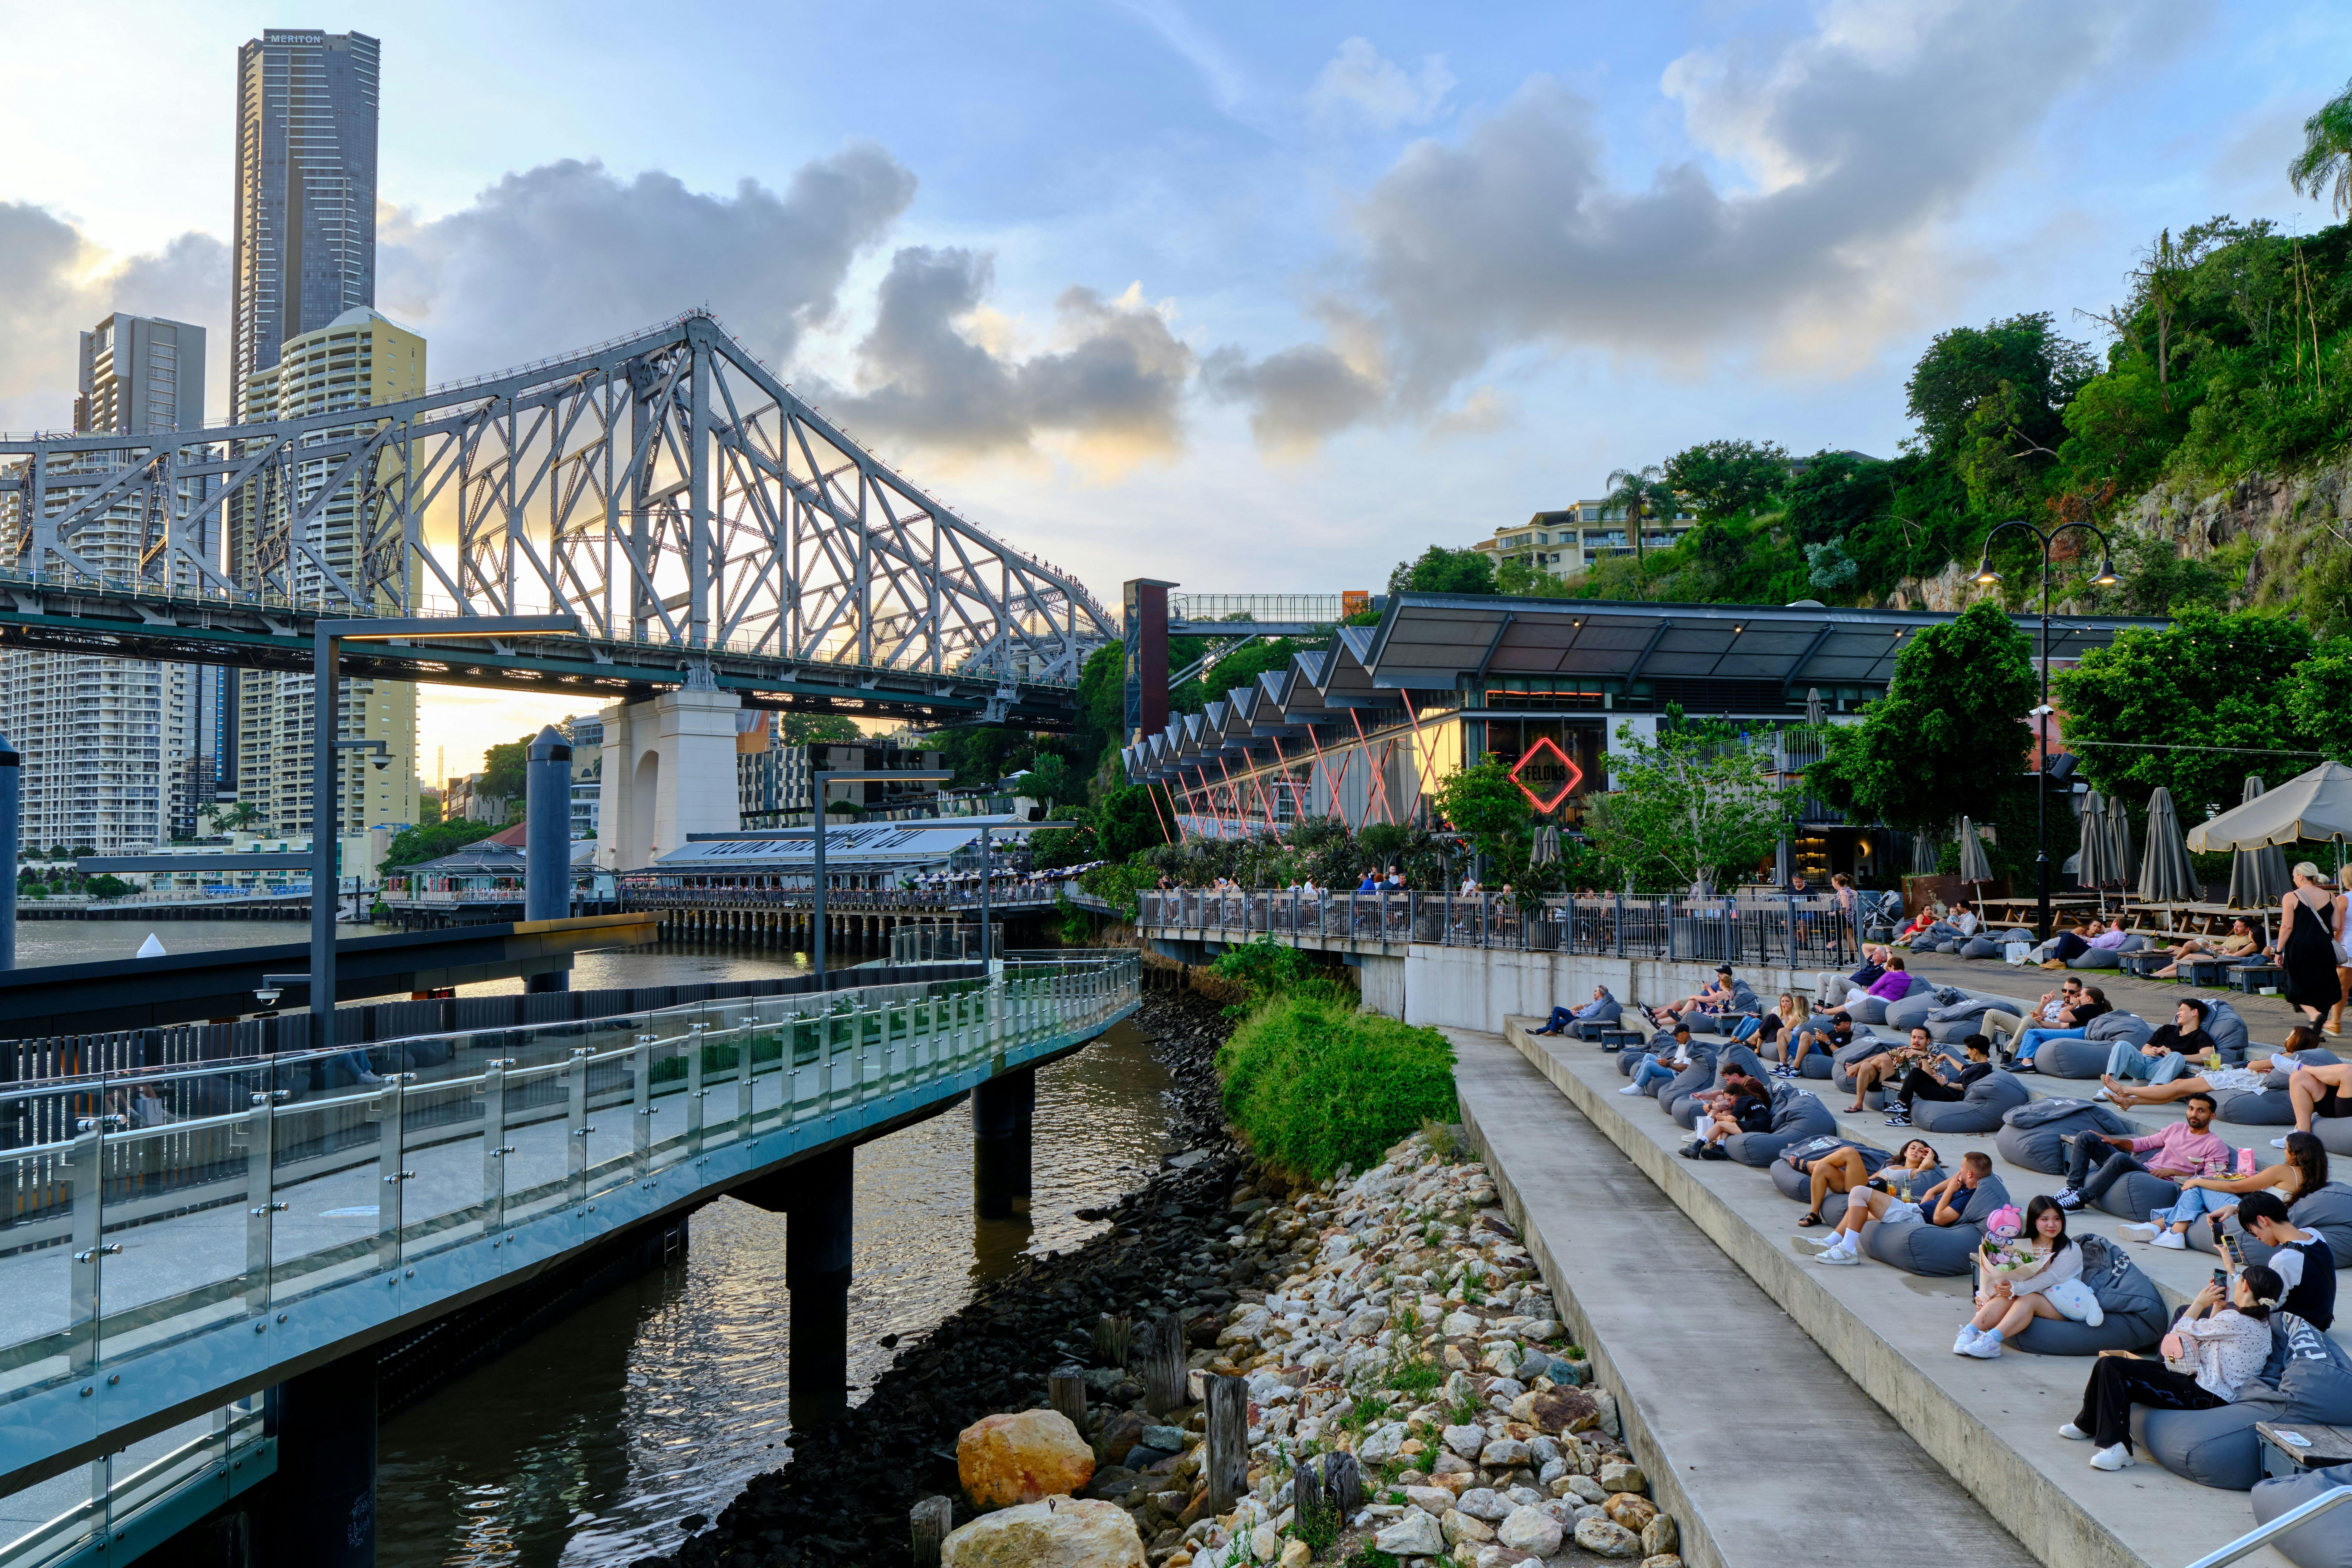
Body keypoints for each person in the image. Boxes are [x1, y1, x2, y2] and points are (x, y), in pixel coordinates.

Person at [2062, 1264, 2282, 1472]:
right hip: (2204, 1385)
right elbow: (2212, 1336)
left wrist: (2199, 1303)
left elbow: (2180, 1331)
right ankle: (2088, 1422)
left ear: (2244, 1286)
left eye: (2239, 1281)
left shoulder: (2237, 1320)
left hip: (2205, 1393)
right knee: (2107, 1363)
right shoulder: (2258, 1323)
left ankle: (2118, 1447)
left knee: (2113, 1366)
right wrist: (2217, 1307)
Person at [2123, 1131, 2327, 1254]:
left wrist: (2199, 1179)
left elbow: (2237, 1187)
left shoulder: (2284, 1170)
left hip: (2253, 1213)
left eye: (2286, 1149)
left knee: (2198, 1187)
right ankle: (2155, 1226)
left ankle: (2176, 1232)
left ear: (2295, 1153)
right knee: (2196, 1195)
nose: (2284, 1153)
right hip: (2267, 1212)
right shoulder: (2314, 1178)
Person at [1797, 1145, 1985, 1266]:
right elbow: (1952, 1180)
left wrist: (1950, 1190)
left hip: (1917, 1217)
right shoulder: (1965, 1183)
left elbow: (1939, 1219)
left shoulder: (1967, 1195)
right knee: (1859, 1208)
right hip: (1913, 1209)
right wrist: (1933, 1191)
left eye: (1962, 1168)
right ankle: (1831, 1242)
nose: (1958, 1171)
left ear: (1969, 1174)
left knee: (1859, 1191)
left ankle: (1848, 1250)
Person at [2054, 1091, 2230, 1212]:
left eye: (2201, 1111)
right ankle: (2073, 1189)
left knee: (2120, 1159)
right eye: (2191, 1109)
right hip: (2143, 1168)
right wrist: (2117, 1141)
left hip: (2159, 1181)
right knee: (2086, 1137)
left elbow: (2213, 1181)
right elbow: (2145, 1143)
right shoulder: (2177, 1128)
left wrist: (2174, 1172)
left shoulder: (2215, 1145)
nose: (2194, 1114)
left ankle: (2081, 1200)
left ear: (2212, 1116)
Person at [1958, 1194, 2082, 1358]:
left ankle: (1992, 1340)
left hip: (2062, 1303)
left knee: (2026, 1298)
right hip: (2027, 1297)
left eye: (2057, 1219)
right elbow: (2006, 1276)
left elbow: (2051, 1277)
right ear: (2034, 1221)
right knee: (2006, 1296)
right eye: (2044, 1219)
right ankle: (1969, 1332)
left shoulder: (2071, 1249)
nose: (2051, 1225)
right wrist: (1986, 1296)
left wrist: (2015, 1289)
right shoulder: (2023, 1245)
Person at [2104, 1024, 2321, 1112]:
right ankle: (2129, 1102)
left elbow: (2254, 1064)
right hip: (2246, 1078)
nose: (2287, 1037)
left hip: (2244, 1078)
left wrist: (2271, 1058)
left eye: (2291, 1035)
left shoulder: (2287, 1056)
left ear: (2298, 1040)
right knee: (2180, 1089)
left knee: (2179, 1085)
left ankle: (2128, 1091)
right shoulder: (2299, 1057)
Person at [1788, 1137, 1941, 1231]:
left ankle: (1811, 1165)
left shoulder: (1915, 1172)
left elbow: (1929, 1165)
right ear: (1905, 1152)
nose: (1916, 1151)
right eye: (1913, 1148)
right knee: (1823, 1168)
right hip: (1862, 1185)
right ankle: (1814, 1214)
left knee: (1850, 1152)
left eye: (1922, 1151)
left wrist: (1931, 1155)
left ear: (1925, 1156)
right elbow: (1871, 1179)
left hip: (1870, 1192)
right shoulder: (1892, 1165)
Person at [2280, 862, 2349, 1031]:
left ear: (2302, 876)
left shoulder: (2291, 897)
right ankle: (2316, 1031)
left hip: (2299, 948)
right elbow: (2335, 926)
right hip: (2324, 947)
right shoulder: (2331, 896)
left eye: (2295, 876)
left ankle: (2313, 1015)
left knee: (2294, 983)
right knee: (2322, 985)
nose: (2294, 880)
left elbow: (2287, 927)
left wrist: (2278, 950)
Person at [2097, 997, 2220, 1093]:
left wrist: (2174, 1055)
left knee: (2177, 1056)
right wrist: (2151, 1051)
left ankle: (2153, 1090)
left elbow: (2208, 1056)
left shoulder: (2200, 1036)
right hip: (2144, 1063)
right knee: (2122, 1044)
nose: (2178, 1013)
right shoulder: (2167, 1029)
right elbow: (2145, 1048)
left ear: (2194, 1013)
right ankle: (2109, 1087)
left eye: (2182, 1010)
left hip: (2160, 1069)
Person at [2001, 981, 2113, 1070]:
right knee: (2034, 1033)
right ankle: (2024, 1062)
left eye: (2080, 995)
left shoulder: (2089, 1008)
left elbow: (2062, 1017)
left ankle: (2026, 1063)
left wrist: (2072, 1005)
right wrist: (2039, 1023)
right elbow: (2062, 1026)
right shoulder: (2091, 1010)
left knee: (2032, 1033)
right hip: (2079, 1032)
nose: (2078, 998)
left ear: (2089, 998)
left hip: (2081, 1033)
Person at [1889, 1033, 1994, 1128]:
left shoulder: (1983, 1069)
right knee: (1916, 1074)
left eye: (1968, 1050)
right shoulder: (1979, 1066)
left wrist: (1946, 1083)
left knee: (1916, 1073)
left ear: (1975, 1051)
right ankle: (1903, 1111)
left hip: (1950, 1096)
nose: (1968, 1053)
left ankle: (1902, 1108)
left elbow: (1967, 1087)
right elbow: (1962, 1068)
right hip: (1946, 1090)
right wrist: (1946, 1056)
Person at [1841, 1024, 1939, 1115]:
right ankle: (1859, 1103)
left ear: (1928, 1041)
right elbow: (1879, 1057)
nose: (1916, 1041)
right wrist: (1857, 1066)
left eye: (1921, 1038)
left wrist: (1923, 1057)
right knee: (1867, 1065)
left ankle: (1860, 1073)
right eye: (1914, 1037)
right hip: (1883, 1080)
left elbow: (1930, 1077)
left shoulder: (1933, 1058)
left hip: (1902, 1086)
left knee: (1884, 1059)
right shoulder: (1902, 1050)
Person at [1682, 1068, 1773, 1160]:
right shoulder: (1748, 1098)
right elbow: (1721, 1094)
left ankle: (1697, 1146)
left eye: (1730, 1100)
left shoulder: (1742, 1099)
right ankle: (1719, 1148)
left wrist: (1722, 1117)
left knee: (1721, 1124)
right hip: (1762, 1125)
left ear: (1736, 1095)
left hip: (1757, 1126)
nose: (1730, 1103)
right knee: (1725, 1125)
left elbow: (1732, 1119)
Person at [2152, 918, 2263, 979]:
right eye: (2235, 925)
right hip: (2216, 953)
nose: (2235, 928)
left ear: (2249, 930)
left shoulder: (2249, 943)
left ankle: (2162, 972)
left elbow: (2236, 955)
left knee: (2189, 950)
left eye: (2239, 927)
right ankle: (2163, 971)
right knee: (2171, 947)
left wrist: (2224, 949)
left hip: (2217, 958)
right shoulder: (2233, 937)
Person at [1621, 1024, 1699, 1096]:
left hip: (1675, 1075)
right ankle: (1638, 1082)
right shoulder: (1682, 1044)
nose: (1675, 1039)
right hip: (1671, 1068)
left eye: (1677, 1036)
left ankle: (1638, 1088)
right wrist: (1665, 1062)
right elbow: (1676, 1058)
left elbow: (1686, 1068)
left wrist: (1668, 1064)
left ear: (1685, 1034)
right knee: (1649, 1056)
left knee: (1649, 1065)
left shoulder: (1691, 1048)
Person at [1776, 1010, 1854, 1079]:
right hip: (1813, 1051)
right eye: (1834, 1024)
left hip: (1822, 1057)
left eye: (1838, 1025)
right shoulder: (1833, 1032)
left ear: (1847, 1024)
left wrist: (1828, 1041)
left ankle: (1796, 1069)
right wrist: (1819, 1040)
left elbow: (1841, 1054)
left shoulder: (1849, 1038)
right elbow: (1821, 1044)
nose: (1835, 1026)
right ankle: (1783, 1065)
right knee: (1782, 1031)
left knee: (1805, 1035)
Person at [2041, 917, 2128, 970]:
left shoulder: (2117, 935)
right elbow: (2108, 940)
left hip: (2092, 952)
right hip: (2091, 950)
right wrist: (2105, 931)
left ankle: (2060, 961)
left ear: (2115, 924)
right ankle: (2055, 960)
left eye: (2113, 922)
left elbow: (2101, 943)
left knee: (2069, 936)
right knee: (2065, 937)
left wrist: (2085, 938)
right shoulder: (2117, 935)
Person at [1534, 985, 1620, 1036]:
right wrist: (1577, 1012)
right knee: (1558, 1023)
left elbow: (1591, 1015)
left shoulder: (1599, 1004)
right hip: (1577, 1015)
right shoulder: (1597, 1002)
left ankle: (1553, 1032)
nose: (1595, 993)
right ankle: (1538, 1031)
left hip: (1577, 1018)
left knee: (1557, 1009)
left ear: (1600, 993)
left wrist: (1577, 1015)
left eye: (1597, 991)